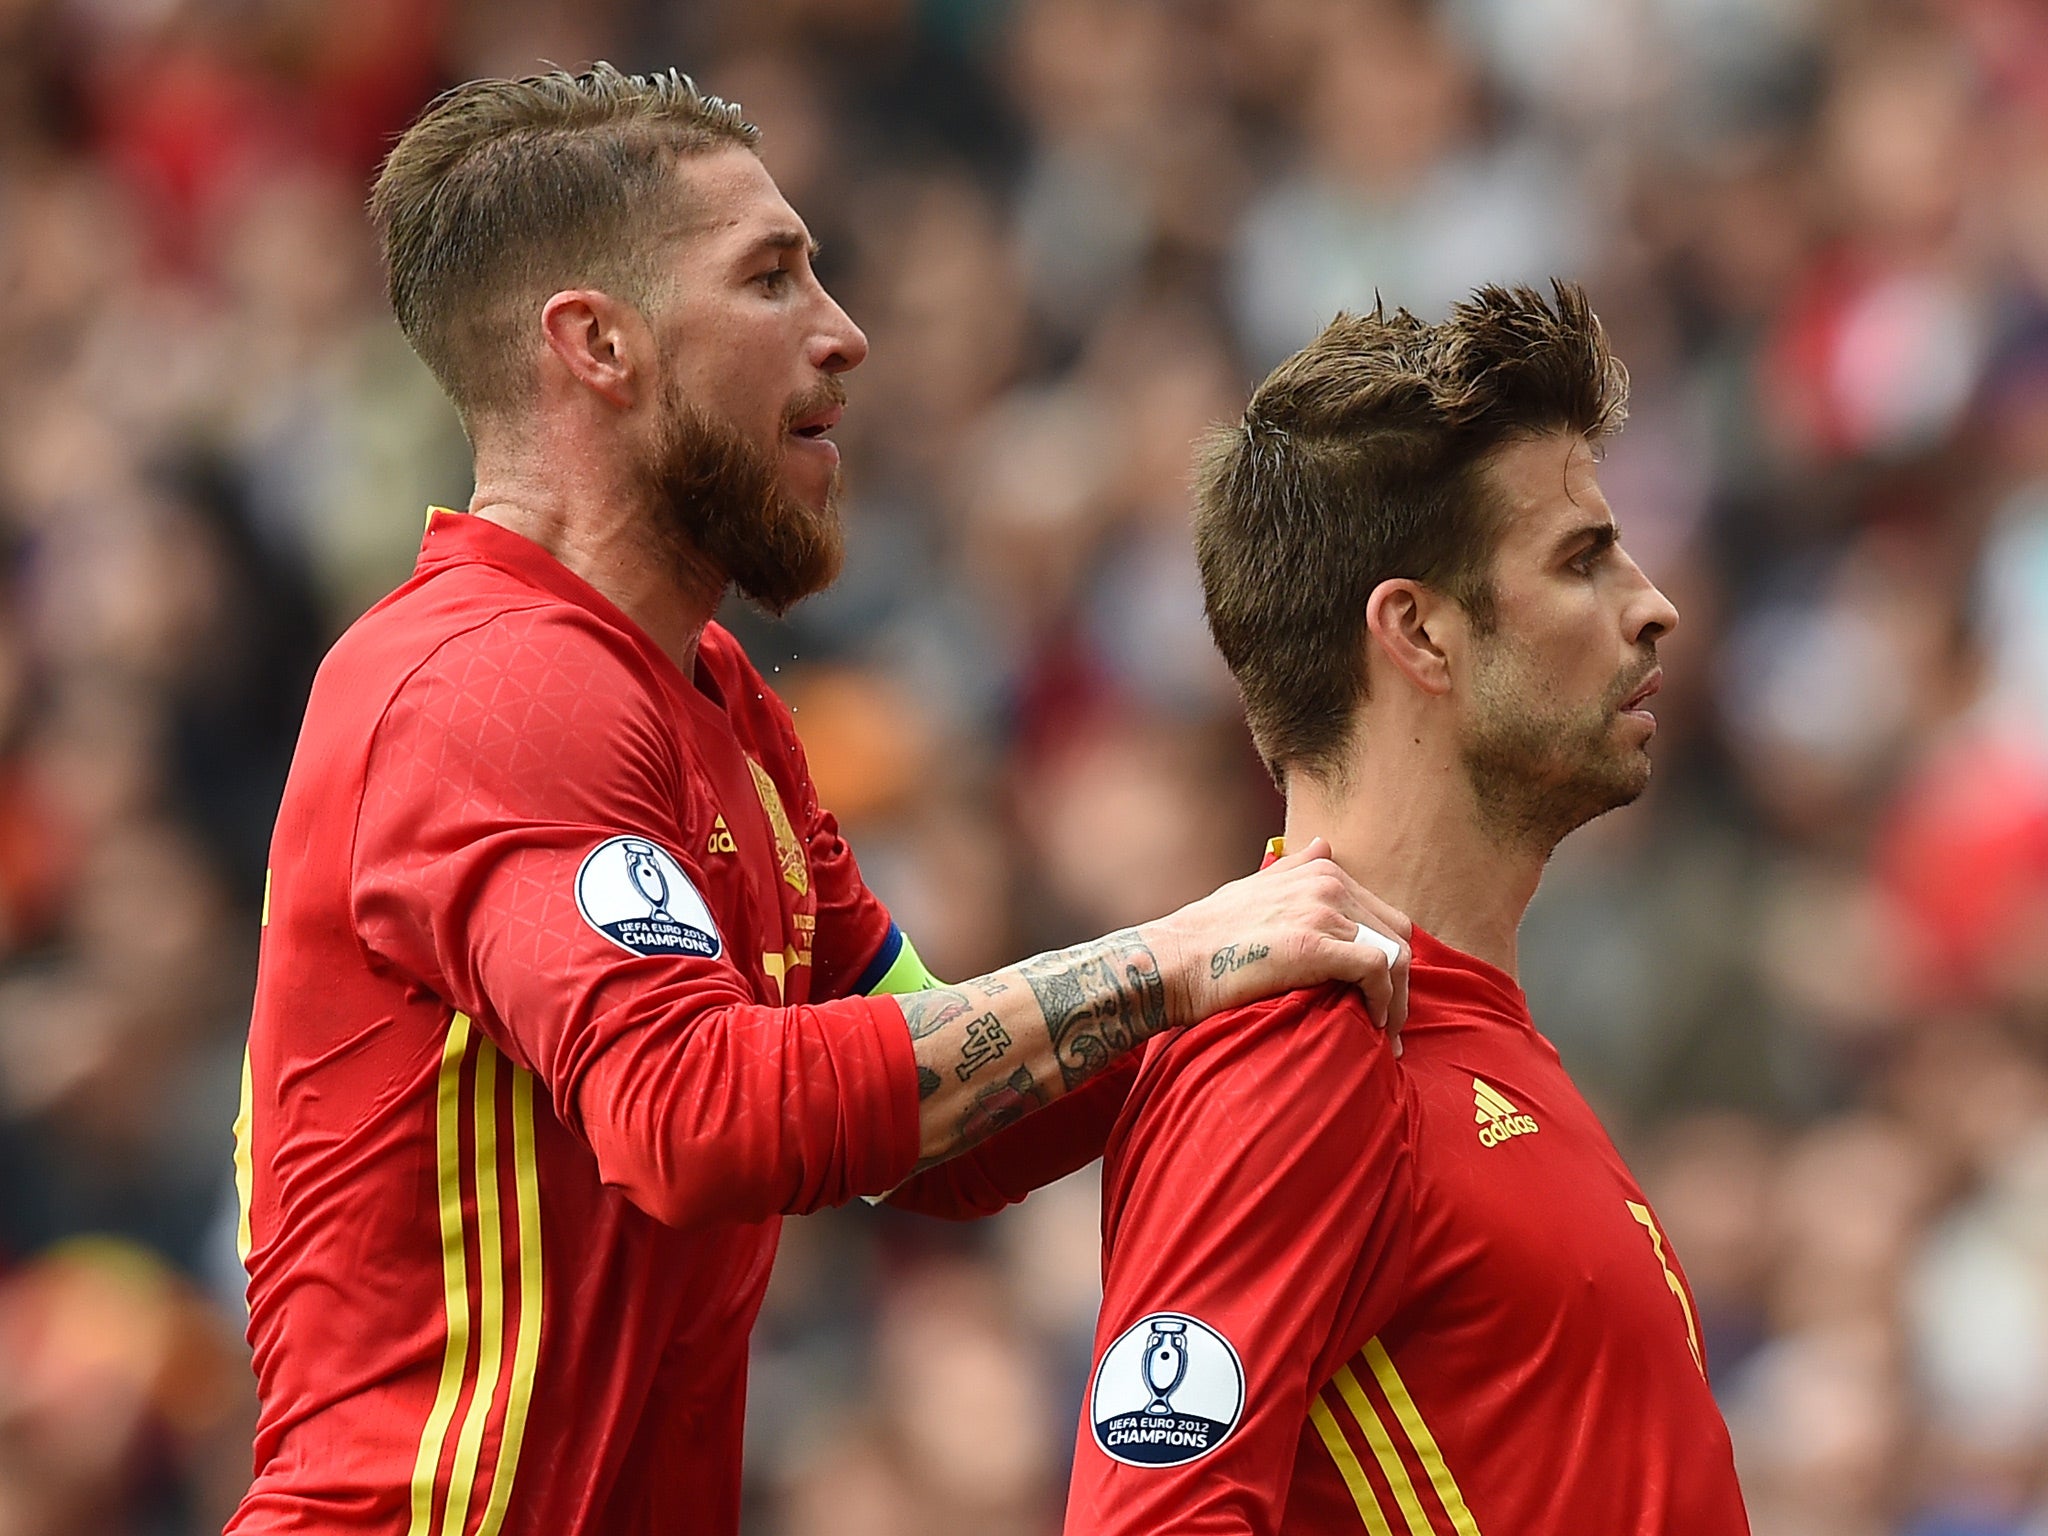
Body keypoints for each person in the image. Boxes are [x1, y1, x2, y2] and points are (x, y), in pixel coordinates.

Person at [226, 64, 1411, 1536]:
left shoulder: (715, 697)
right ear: (599, 344)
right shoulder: (486, 686)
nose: (845, 334)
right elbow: (692, 1118)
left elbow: (945, 1105)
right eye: (774, 278)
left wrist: (1301, 949)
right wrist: (1182, 956)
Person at [1062, 283, 1751, 1535]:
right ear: (1419, 634)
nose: (1650, 604)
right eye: (1581, 557)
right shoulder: (1293, 1053)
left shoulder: (1454, 1025)